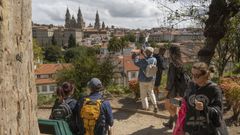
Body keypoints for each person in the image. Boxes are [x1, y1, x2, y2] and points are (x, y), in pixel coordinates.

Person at [183, 62, 228, 135]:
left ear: (205, 75)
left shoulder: (214, 89)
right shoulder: (191, 85)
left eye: (196, 75)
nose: (193, 78)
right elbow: (187, 99)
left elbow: (219, 111)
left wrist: (205, 108)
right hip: (191, 128)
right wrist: (182, 102)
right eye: (192, 74)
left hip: (208, 130)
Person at [163, 45, 189, 129]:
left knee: (167, 105)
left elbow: (171, 79)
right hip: (180, 90)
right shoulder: (180, 62)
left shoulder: (173, 64)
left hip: (173, 90)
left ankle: (180, 125)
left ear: (171, 53)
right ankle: (170, 123)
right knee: (173, 106)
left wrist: (167, 89)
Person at [132, 47, 158, 113]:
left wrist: (137, 55)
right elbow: (148, 58)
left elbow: (136, 62)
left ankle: (146, 108)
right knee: (151, 92)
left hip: (143, 80)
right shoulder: (154, 59)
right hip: (151, 79)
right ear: (152, 53)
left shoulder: (143, 61)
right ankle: (155, 105)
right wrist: (144, 54)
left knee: (143, 95)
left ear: (146, 53)